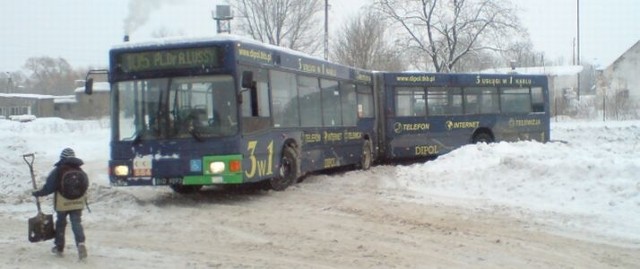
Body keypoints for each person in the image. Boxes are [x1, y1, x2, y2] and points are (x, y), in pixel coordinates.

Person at [32, 148, 88, 260]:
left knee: (61, 224)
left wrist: (38, 193)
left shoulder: (58, 170)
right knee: (76, 223)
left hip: (62, 202)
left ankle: (59, 247)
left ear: (62, 158)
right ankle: (81, 243)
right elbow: (86, 185)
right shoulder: (80, 170)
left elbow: (49, 187)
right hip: (78, 202)